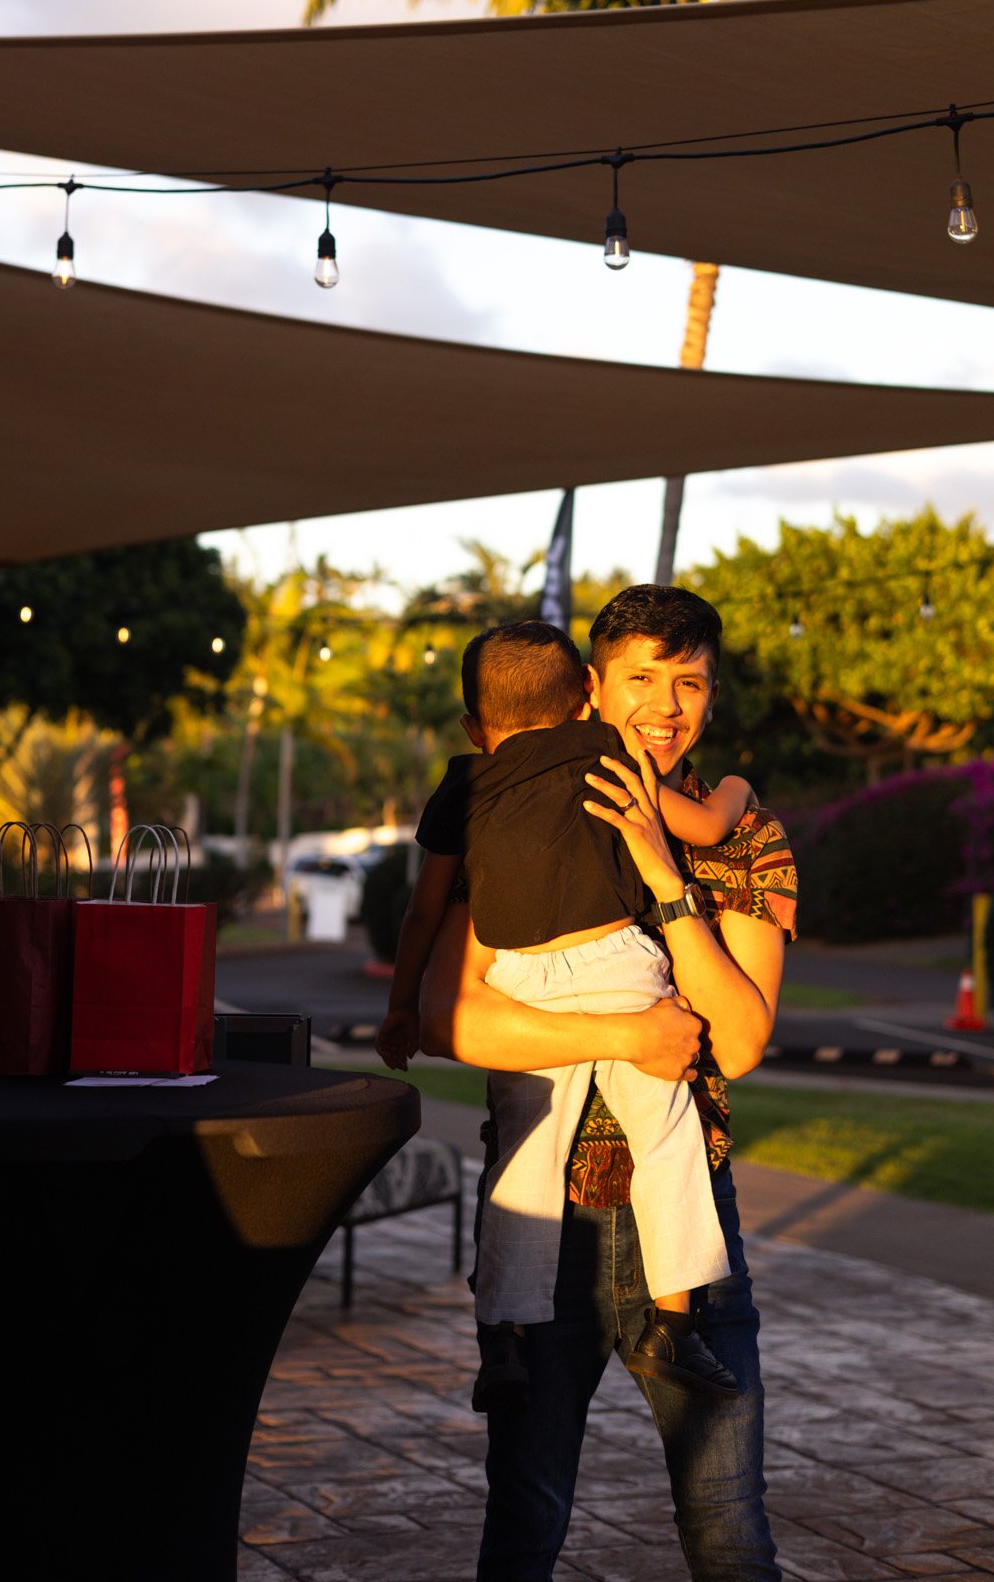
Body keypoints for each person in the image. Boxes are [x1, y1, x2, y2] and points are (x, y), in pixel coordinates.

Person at [422, 584, 794, 1582]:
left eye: (690, 683)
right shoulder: (521, 802)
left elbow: (744, 1036)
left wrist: (661, 868)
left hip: (685, 1225)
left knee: (728, 1528)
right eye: (641, 678)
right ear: (593, 686)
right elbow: (456, 1017)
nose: (666, 706)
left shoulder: (745, 842)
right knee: (524, 1521)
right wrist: (634, 1031)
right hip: (547, 1226)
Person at [378, 619, 755, 1404]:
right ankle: (673, 1327)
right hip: (619, 969)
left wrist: (399, 1007)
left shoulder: (464, 782)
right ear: (587, 695)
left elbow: (422, 913)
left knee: (522, 1165)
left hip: (517, 979)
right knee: (669, 1141)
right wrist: (736, 791)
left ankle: (504, 1339)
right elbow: (707, 825)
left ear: (473, 727)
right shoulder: (606, 753)